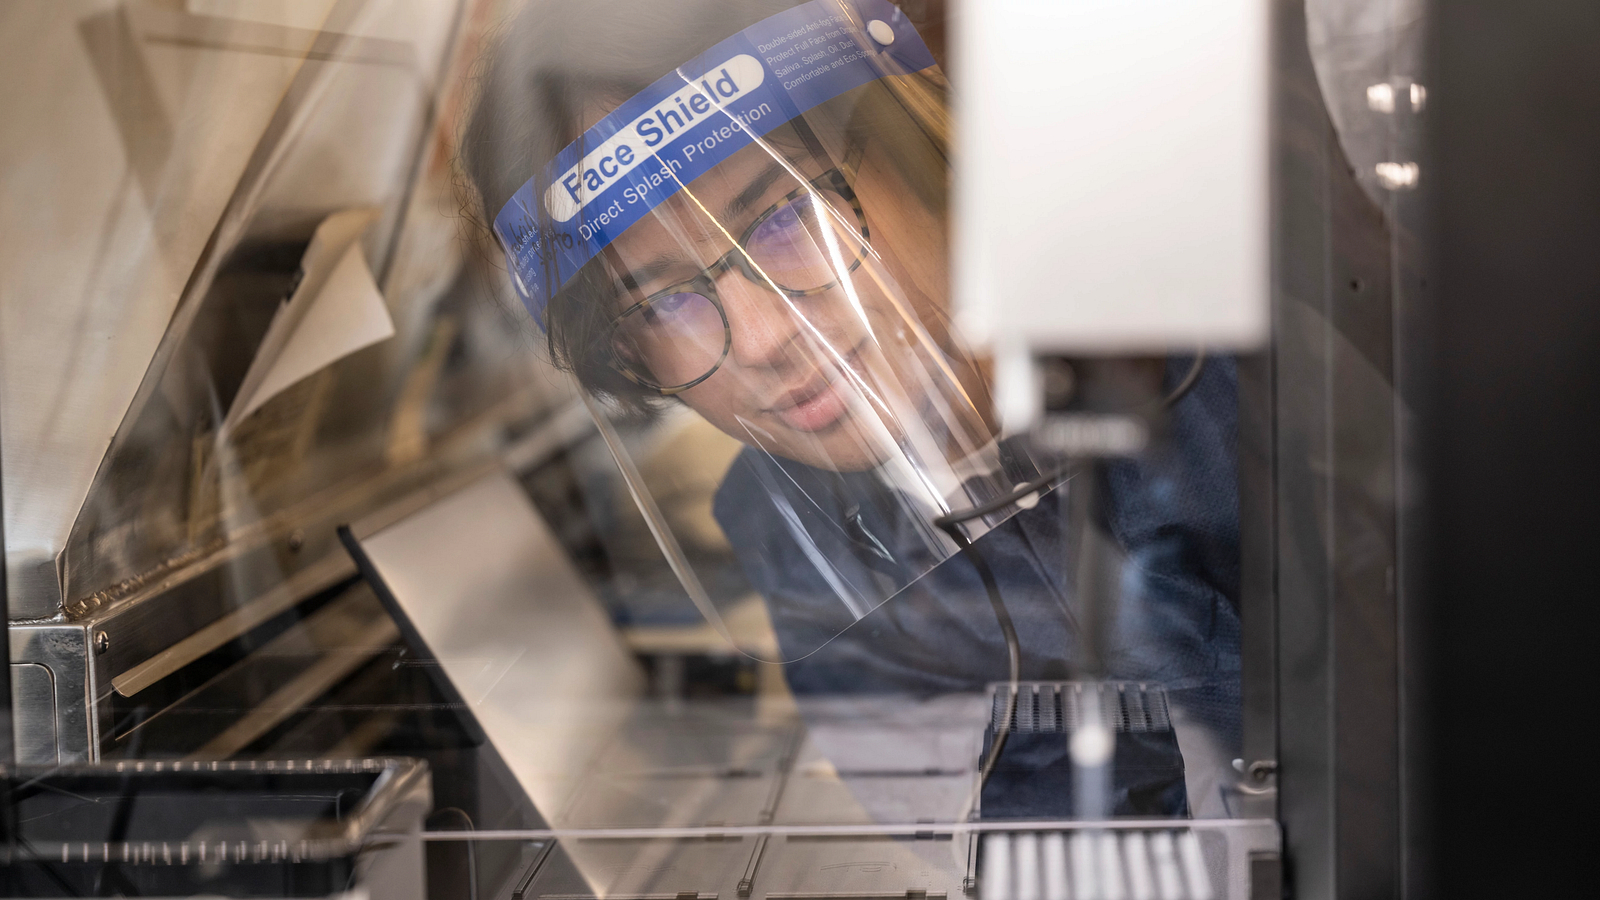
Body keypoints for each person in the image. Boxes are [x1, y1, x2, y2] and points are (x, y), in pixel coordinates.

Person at [462, 0, 1241, 814]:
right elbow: (1019, 841)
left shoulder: (1211, 354)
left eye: (785, 216)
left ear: (920, 151)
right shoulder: (791, 536)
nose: (762, 337)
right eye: (659, 304)